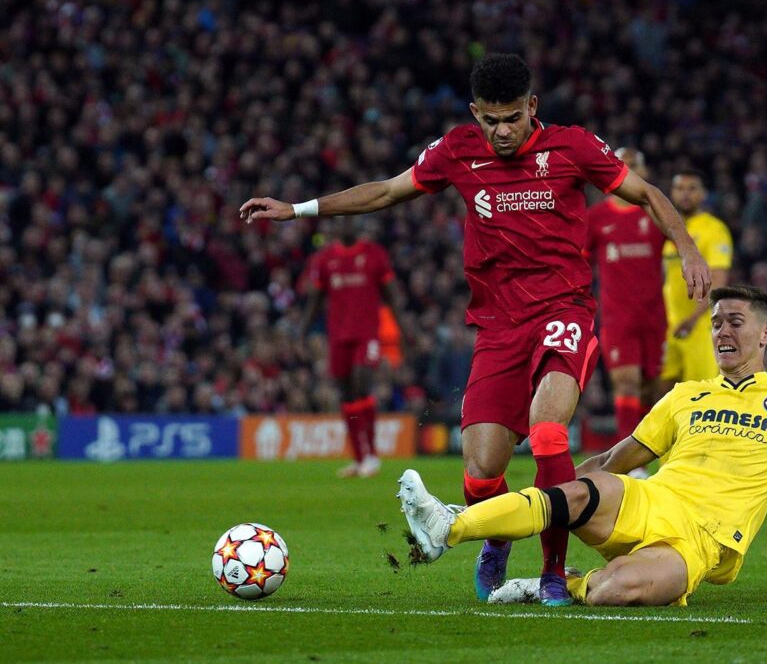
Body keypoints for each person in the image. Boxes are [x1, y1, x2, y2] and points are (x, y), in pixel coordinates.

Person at [240, 53, 711, 605]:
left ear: (532, 107)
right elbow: (387, 192)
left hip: (563, 310)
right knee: (482, 470)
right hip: (498, 327)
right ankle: (496, 538)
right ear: (474, 114)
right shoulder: (457, 150)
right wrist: (297, 210)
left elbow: (648, 194)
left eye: (512, 117)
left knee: (548, 433)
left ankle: (554, 573)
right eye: (490, 120)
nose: (502, 131)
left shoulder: (573, 146)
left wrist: (687, 246)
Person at [398, 285, 767, 607]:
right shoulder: (685, 396)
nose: (722, 330)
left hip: (705, 539)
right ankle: (448, 525)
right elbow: (616, 461)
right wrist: (559, 492)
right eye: (716, 322)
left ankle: (556, 585)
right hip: (650, 501)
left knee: (621, 590)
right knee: (582, 490)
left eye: (734, 321)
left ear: (766, 333)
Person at [299, 217, 405, 478]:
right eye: (339, 222)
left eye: (349, 221)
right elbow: (315, 298)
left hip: (367, 333)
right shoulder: (325, 259)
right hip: (338, 336)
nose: (344, 226)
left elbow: (391, 294)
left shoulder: (374, 254)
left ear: (356, 226)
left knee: (360, 382)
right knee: (345, 393)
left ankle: (371, 455)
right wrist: (302, 331)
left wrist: (403, 327)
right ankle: (359, 459)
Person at [585, 147, 665, 471]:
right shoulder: (597, 217)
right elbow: (580, 261)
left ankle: (646, 449)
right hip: (618, 316)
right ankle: (630, 462)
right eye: (624, 165)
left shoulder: (656, 214)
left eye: (636, 165)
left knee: (651, 388)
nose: (630, 170)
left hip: (655, 315)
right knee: (626, 383)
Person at [659, 170, 732, 393]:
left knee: (701, 396)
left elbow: (718, 283)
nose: (685, 195)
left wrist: (692, 320)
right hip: (671, 327)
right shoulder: (672, 231)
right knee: (662, 395)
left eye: (692, 189)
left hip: (700, 327)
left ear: (703, 194)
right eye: (680, 189)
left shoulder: (714, 229)